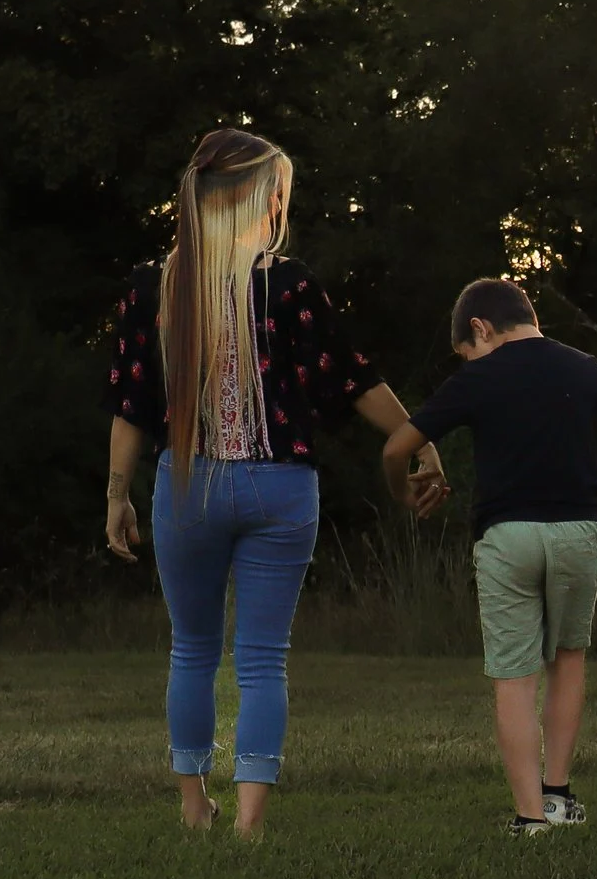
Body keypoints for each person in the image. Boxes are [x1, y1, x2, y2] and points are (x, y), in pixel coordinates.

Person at [104, 128, 447, 840]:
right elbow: (350, 375)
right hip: (280, 487)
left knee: (192, 649)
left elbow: (131, 402)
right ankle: (251, 822)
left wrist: (117, 493)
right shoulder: (286, 284)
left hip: (186, 485)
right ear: (260, 195)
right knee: (261, 658)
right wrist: (418, 440)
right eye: (278, 190)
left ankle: (194, 807)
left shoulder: (154, 287)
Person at [380, 278, 597, 836]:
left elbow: (396, 447)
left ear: (480, 329)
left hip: (509, 537)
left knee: (514, 679)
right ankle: (559, 797)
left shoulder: (477, 377)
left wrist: (407, 493)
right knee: (567, 661)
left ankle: (528, 819)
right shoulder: (582, 366)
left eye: (466, 350)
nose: (468, 359)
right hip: (578, 532)